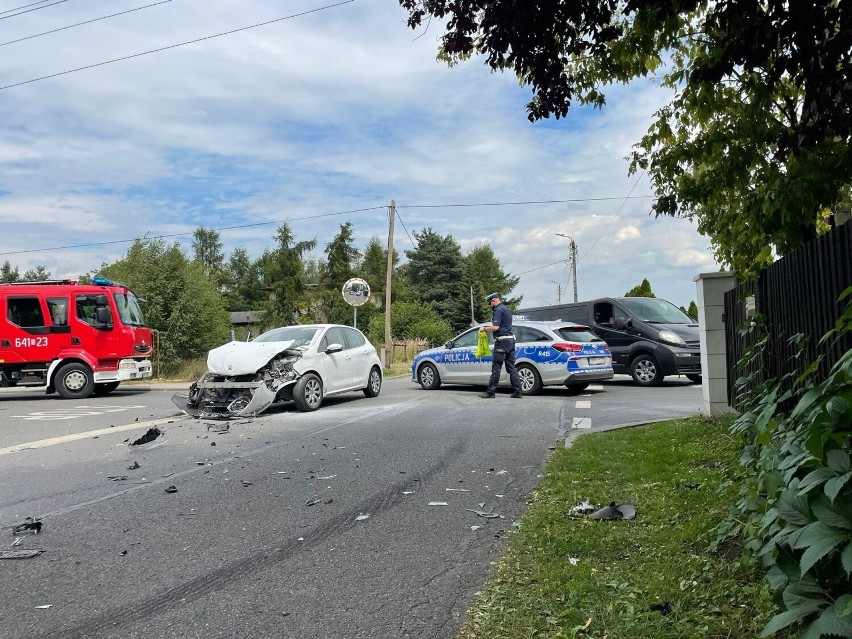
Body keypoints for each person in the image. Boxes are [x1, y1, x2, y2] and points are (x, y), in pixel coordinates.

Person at [478, 293, 523, 398]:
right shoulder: (506, 309)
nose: (490, 306)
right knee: (511, 367)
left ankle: (491, 392)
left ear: (494, 301)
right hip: (510, 341)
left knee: (496, 367)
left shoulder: (498, 310)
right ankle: (518, 391)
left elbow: (495, 327)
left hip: (501, 342)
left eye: (490, 303)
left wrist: (484, 328)